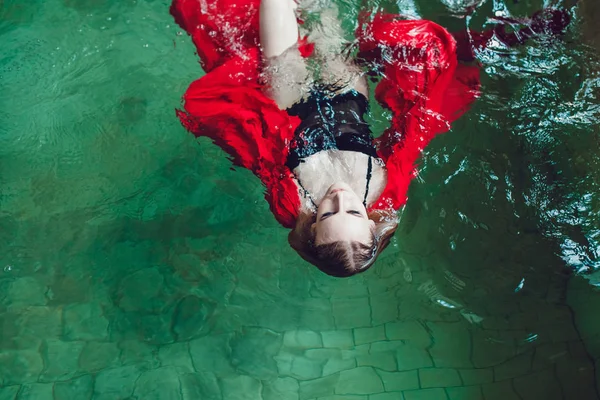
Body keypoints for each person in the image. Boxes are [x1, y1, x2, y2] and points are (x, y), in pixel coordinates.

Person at [169, 0, 569, 277]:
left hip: (289, 99)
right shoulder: (386, 195)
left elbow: (261, 149)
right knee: (327, 27)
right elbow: (409, 140)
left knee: (278, 39)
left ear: (310, 227)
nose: (341, 198)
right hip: (347, 94)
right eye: (354, 213)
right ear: (370, 221)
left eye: (328, 214)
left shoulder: (290, 203)